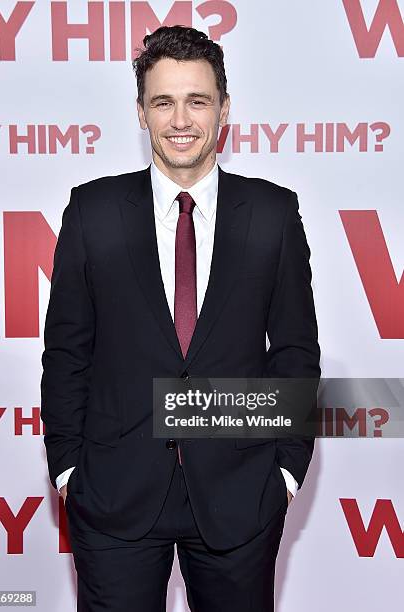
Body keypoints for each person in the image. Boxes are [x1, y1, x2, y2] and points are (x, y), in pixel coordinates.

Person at [40, 24, 321, 612]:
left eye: (198, 100)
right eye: (162, 101)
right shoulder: (93, 211)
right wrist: (69, 472)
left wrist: (286, 473)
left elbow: (294, 352)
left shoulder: (273, 213)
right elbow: (67, 352)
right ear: (140, 113)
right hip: (114, 495)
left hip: (240, 493)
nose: (181, 119)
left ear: (225, 109)